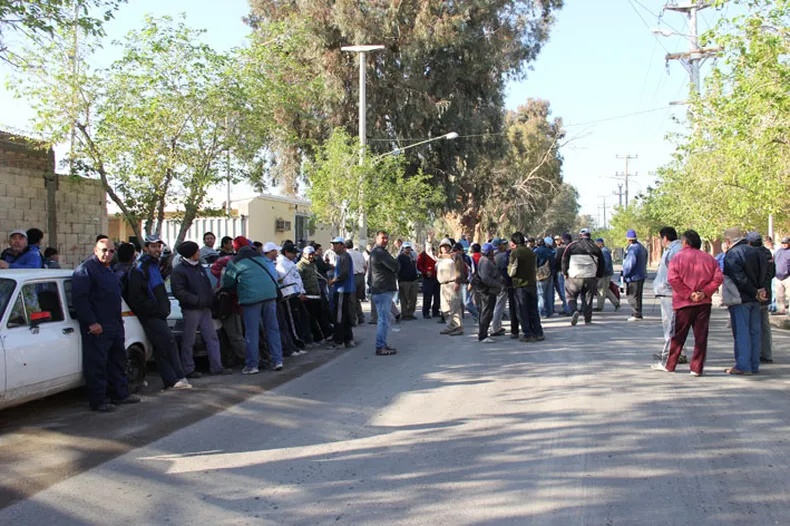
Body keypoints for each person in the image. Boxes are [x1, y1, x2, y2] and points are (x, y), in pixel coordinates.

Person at [72, 238, 143, 412]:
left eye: (111, 251)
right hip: (98, 326)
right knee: (97, 364)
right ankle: (99, 400)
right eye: (104, 250)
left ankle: (120, 394)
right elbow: (80, 300)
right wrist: (92, 322)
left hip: (114, 324)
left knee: (117, 361)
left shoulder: (108, 269)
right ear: (95, 250)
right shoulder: (86, 270)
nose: (108, 254)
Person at [652, 230, 723, 376]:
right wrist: (704, 292)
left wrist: (689, 294)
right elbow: (718, 278)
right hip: (703, 303)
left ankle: (670, 364)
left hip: (683, 303)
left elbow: (673, 279)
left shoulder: (677, 258)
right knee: (701, 337)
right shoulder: (709, 259)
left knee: (678, 336)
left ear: (685, 242)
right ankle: (697, 368)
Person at [126, 235, 191, 389]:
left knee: (163, 346)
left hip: (159, 313)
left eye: (158, 246)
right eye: (153, 246)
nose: (157, 249)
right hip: (151, 315)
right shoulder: (140, 268)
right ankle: (174, 379)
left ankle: (174, 379)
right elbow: (137, 297)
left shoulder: (154, 265)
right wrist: (155, 309)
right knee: (167, 343)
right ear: (146, 248)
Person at [222, 240, 284, 374]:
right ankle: (277, 360)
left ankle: (252, 365)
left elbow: (227, 283)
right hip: (270, 295)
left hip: (251, 299)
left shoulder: (235, 261)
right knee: (272, 329)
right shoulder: (261, 257)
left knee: (252, 332)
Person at [171, 241, 230, 376]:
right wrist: (196, 300)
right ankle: (188, 368)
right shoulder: (179, 271)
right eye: (197, 251)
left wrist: (210, 299)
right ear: (191, 254)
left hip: (205, 308)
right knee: (189, 340)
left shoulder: (199, 267)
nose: (199, 253)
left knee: (211, 337)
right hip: (191, 309)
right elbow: (179, 291)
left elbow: (206, 286)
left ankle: (216, 366)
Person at [723, 227, 768, 375]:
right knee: (754, 332)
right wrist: (760, 290)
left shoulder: (733, 254)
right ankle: (754, 364)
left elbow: (738, 278)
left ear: (728, 240)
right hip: (756, 298)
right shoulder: (758, 252)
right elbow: (766, 272)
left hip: (740, 298)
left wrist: (753, 291)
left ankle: (743, 365)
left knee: (742, 333)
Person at [652, 227, 684, 367]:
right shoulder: (671, 249)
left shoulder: (675, 250)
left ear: (665, 238)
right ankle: (676, 351)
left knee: (671, 324)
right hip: (666, 291)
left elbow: (676, 272)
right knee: (670, 324)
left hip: (669, 292)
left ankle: (672, 353)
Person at [562, 228, 605, 326]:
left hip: (574, 277)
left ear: (580, 236)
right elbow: (602, 264)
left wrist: (565, 273)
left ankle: (574, 311)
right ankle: (587, 319)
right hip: (590, 277)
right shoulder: (596, 247)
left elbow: (564, 260)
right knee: (588, 299)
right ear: (590, 236)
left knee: (571, 296)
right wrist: (598, 276)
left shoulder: (571, 246)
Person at [509, 232, 544, 342]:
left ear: (514, 242)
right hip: (532, 283)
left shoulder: (515, 252)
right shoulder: (531, 252)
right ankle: (538, 332)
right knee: (533, 310)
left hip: (520, 285)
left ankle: (527, 334)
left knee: (522, 310)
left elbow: (512, 271)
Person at [369, 230, 400, 355]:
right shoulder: (379, 252)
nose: (385, 240)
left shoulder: (378, 252)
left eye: (387, 238)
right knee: (383, 320)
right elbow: (395, 265)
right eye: (382, 238)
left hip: (380, 289)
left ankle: (382, 344)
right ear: (376, 238)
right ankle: (380, 346)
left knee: (383, 319)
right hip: (382, 289)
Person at [747, 232, 775, 364]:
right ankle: (766, 353)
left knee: (752, 325)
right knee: (764, 324)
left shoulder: (750, 254)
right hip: (766, 292)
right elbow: (772, 272)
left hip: (754, 293)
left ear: (749, 243)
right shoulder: (767, 253)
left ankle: (754, 353)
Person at [276, 242, 311, 347]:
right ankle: (296, 341)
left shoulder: (291, 263)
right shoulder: (281, 264)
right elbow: (287, 281)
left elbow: (297, 279)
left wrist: (302, 291)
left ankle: (302, 338)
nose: (295, 255)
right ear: (286, 252)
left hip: (298, 294)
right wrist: (298, 293)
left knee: (303, 317)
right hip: (290, 295)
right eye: (293, 253)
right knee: (293, 320)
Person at [297, 246, 333, 343]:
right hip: (308, 295)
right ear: (304, 254)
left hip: (316, 294)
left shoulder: (313, 264)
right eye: (309, 254)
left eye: (312, 254)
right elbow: (298, 281)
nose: (311, 256)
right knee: (312, 318)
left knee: (321, 315)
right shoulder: (300, 266)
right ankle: (317, 337)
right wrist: (301, 293)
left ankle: (327, 334)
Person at [327, 236, 355, 348]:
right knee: (345, 314)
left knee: (339, 316)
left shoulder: (344, 257)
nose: (334, 246)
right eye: (333, 244)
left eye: (336, 244)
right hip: (343, 289)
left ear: (342, 245)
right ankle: (348, 339)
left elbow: (344, 273)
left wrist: (333, 281)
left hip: (342, 289)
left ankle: (339, 341)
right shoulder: (342, 257)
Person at [436, 238, 466, 336]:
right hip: (443, 285)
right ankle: (450, 326)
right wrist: (429, 241)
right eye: (442, 246)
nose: (444, 248)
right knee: (445, 308)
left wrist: (458, 282)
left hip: (452, 284)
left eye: (446, 246)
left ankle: (458, 327)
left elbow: (460, 269)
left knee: (455, 307)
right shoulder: (440, 259)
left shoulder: (455, 256)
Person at [474, 243, 503, 343]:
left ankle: (483, 333)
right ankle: (483, 335)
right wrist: (497, 284)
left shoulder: (485, 260)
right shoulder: (485, 262)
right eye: (492, 251)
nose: (493, 252)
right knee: (486, 313)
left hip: (488, 290)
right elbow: (485, 278)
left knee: (486, 312)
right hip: (488, 291)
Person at [622, 229, 648, 321]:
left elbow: (630, 263)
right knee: (638, 295)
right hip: (641, 274)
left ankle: (636, 314)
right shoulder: (642, 247)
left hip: (633, 276)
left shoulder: (633, 249)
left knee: (632, 296)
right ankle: (638, 313)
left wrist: (624, 274)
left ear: (628, 239)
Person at [490, 237, 514, 337]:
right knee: (499, 306)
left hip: (494, 284)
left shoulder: (492, 256)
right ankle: (495, 328)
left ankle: (497, 326)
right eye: (503, 244)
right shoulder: (502, 256)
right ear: (498, 245)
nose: (505, 246)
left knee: (497, 305)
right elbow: (506, 271)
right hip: (502, 284)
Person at [417, 236, 441, 319]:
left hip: (437, 278)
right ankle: (426, 312)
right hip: (428, 279)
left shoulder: (436, 255)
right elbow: (419, 266)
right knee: (428, 296)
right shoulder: (422, 255)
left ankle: (436, 311)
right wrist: (425, 271)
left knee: (437, 296)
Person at [594, 238, 620, 312]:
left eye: (597, 244)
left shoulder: (603, 251)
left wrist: (601, 272)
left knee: (601, 290)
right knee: (605, 289)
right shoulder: (603, 251)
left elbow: (606, 264)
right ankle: (616, 303)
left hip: (605, 274)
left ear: (600, 243)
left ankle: (600, 307)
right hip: (606, 273)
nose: (596, 245)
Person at [346, 239, 368, 325]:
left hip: (352, 277)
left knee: (351, 300)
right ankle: (360, 316)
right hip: (360, 277)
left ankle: (352, 319)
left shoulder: (346, 255)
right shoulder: (359, 254)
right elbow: (365, 266)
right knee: (357, 299)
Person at [534, 236, 555, 318]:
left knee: (541, 294)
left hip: (540, 275)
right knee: (549, 294)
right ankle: (550, 311)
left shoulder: (536, 251)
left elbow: (535, 264)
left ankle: (542, 312)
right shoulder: (550, 251)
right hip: (549, 274)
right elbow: (553, 263)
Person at [397, 242, 419, 320]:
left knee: (413, 298)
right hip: (404, 281)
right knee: (404, 299)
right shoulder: (400, 257)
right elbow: (397, 269)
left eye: (409, 248)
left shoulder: (412, 256)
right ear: (403, 249)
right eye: (406, 248)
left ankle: (411, 313)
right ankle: (405, 314)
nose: (408, 249)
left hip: (413, 280)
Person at [553, 234, 572, 315]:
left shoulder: (561, 249)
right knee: (570, 292)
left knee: (563, 291)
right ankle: (570, 308)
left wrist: (556, 269)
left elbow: (557, 260)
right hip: (572, 272)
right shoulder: (573, 247)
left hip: (562, 272)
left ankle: (567, 309)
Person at [774, 237, 790, 315]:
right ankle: (781, 309)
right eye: (783, 243)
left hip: (788, 276)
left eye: (786, 243)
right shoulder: (778, 252)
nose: (784, 244)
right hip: (778, 276)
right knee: (779, 295)